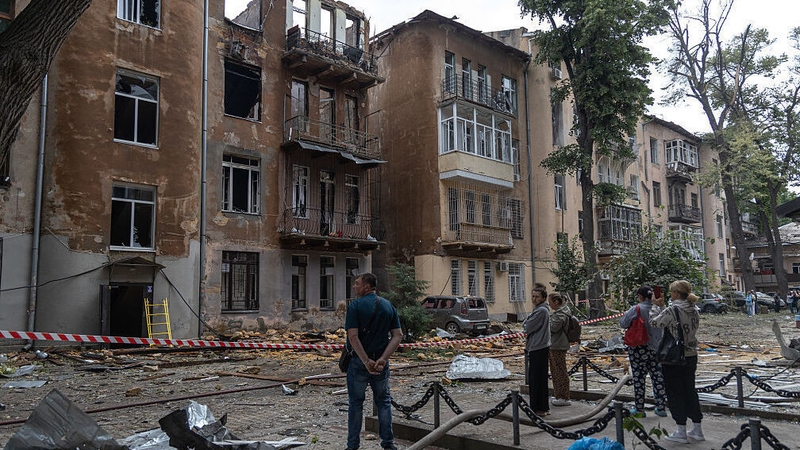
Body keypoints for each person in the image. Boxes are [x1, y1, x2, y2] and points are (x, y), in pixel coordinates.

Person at [344, 273, 403, 450]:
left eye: (357, 284)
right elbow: (397, 335)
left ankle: (353, 445)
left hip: (358, 363)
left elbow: (353, 337)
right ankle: (388, 444)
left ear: (367, 287)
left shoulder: (355, 306)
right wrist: (383, 359)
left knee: (355, 404)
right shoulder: (387, 305)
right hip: (380, 364)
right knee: (384, 403)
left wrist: (365, 361)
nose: (354, 287)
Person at [650, 280, 703, 444]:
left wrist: (655, 306)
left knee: (675, 392)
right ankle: (697, 428)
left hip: (674, 357)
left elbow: (654, 322)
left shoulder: (673, 309)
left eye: (671, 292)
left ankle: (681, 429)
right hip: (691, 354)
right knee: (690, 390)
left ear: (676, 293)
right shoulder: (694, 308)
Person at [620, 285, 667, 418]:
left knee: (639, 378)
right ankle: (661, 407)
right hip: (656, 348)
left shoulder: (636, 309)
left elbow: (623, 323)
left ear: (640, 296)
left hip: (638, 348)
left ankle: (640, 409)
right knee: (657, 377)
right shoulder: (658, 308)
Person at [523, 283, 551, 415]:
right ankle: (542, 406)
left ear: (543, 298)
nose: (534, 299)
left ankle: (536, 407)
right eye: (532, 296)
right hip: (540, 346)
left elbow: (527, 326)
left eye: (537, 297)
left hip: (538, 347)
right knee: (540, 379)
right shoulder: (540, 310)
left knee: (536, 379)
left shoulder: (541, 311)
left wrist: (526, 323)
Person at [547, 292, 571, 406]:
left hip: (558, 345)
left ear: (556, 302)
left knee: (559, 372)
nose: (549, 304)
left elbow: (553, 328)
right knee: (556, 371)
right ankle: (560, 395)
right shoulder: (563, 311)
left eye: (550, 302)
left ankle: (563, 396)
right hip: (557, 344)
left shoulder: (561, 314)